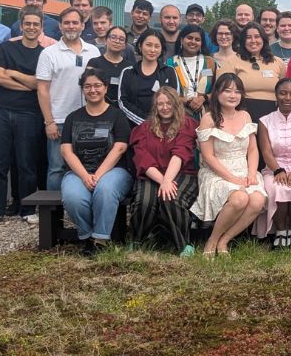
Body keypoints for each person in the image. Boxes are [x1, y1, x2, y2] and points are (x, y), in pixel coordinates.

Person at [0, 5, 45, 226]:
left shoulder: (44, 54)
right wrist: (27, 84)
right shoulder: (6, 48)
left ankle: (28, 209)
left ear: (41, 27)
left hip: (30, 114)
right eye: (27, 23)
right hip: (0, 111)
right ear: (20, 25)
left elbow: (39, 83)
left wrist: (14, 73)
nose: (31, 27)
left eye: (35, 24)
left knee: (27, 164)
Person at [190, 73, 266, 256]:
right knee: (239, 198)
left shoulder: (245, 116)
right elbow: (208, 156)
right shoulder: (209, 118)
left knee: (257, 200)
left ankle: (224, 240)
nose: (233, 95)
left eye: (237, 91)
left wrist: (251, 173)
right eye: (227, 91)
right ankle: (212, 240)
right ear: (217, 93)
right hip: (217, 171)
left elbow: (253, 150)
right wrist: (232, 178)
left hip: (244, 168)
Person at [60, 68, 133, 253]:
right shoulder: (72, 118)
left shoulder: (117, 116)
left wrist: (98, 175)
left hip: (114, 171)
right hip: (79, 171)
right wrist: (85, 176)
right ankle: (87, 235)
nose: (93, 90)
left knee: (105, 190)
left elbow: (120, 147)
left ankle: (100, 240)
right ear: (83, 90)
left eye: (97, 85)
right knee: (73, 197)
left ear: (106, 88)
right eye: (88, 86)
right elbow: (66, 151)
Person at [129, 86, 199, 257]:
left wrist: (168, 181)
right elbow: (143, 158)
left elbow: (180, 153)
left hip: (182, 173)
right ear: (155, 107)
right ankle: (137, 241)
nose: (165, 107)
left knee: (170, 197)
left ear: (176, 104)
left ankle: (183, 245)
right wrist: (163, 181)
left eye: (169, 103)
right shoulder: (144, 128)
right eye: (160, 104)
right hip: (151, 174)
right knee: (144, 201)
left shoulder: (187, 124)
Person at [36, 7, 102, 191]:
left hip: (88, 120)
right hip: (59, 120)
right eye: (67, 22)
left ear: (82, 25)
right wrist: (49, 121)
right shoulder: (49, 53)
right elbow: (42, 89)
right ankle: (55, 214)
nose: (71, 26)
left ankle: (79, 204)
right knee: (57, 168)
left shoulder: (93, 52)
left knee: (88, 165)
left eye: (75, 22)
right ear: (60, 26)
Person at [253, 79, 291, 247]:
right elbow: (266, 151)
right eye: (283, 93)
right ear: (276, 95)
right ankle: (280, 231)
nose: (287, 97)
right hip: (273, 166)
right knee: (276, 187)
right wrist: (278, 170)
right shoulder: (265, 121)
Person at [216, 22, 286, 123]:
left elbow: (283, 92)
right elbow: (220, 91)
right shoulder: (232, 62)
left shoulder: (278, 62)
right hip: (242, 115)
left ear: (263, 39)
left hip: (273, 117)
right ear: (243, 40)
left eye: (257, 36)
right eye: (248, 37)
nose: (253, 41)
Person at [118, 28, 180, 127]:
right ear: (140, 46)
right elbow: (123, 102)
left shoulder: (169, 71)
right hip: (134, 127)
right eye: (148, 45)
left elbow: (175, 99)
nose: (152, 50)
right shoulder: (128, 72)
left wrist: (159, 123)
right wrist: (146, 123)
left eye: (157, 46)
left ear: (162, 49)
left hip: (164, 126)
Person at [167, 24, 217, 120]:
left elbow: (219, 89)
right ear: (182, 40)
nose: (193, 42)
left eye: (197, 39)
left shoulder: (210, 62)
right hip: (178, 115)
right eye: (189, 38)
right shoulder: (170, 63)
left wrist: (203, 98)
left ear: (202, 43)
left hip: (207, 116)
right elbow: (165, 91)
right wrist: (185, 100)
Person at [87, 25, 135, 106]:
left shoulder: (130, 67)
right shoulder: (94, 63)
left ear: (125, 45)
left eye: (121, 39)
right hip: (98, 108)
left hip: (123, 111)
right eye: (113, 37)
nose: (117, 41)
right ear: (106, 40)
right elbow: (87, 88)